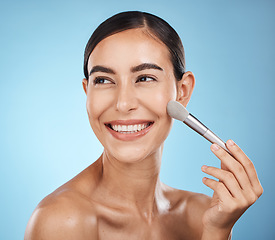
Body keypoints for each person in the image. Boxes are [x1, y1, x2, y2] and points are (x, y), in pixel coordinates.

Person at [24, 11, 263, 240]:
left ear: (182, 92)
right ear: (87, 92)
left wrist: (217, 233)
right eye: (104, 80)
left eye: (145, 78)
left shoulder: (202, 214)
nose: (123, 103)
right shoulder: (62, 221)